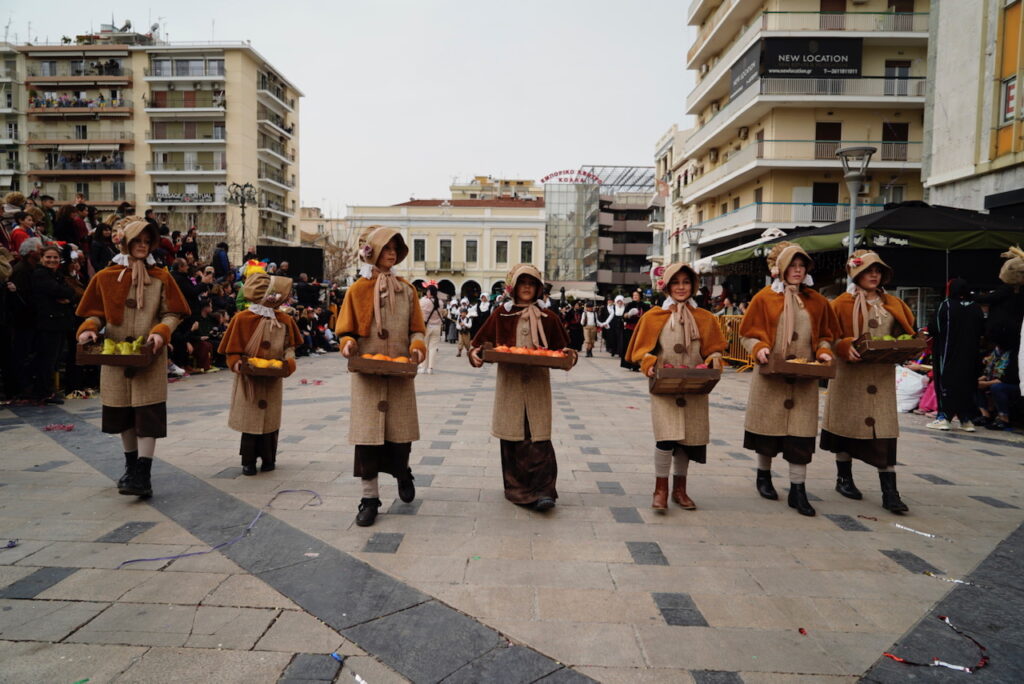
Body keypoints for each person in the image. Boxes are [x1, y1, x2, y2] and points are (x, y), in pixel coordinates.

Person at [75, 217, 190, 498]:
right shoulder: (105, 276)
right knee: (122, 413)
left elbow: (174, 312)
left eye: (146, 241)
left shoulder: (161, 276)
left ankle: (143, 472)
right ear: (126, 242)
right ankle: (129, 467)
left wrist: (162, 332)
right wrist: (88, 329)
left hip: (148, 355)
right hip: (114, 355)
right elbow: (95, 312)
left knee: (147, 413)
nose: (141, 245)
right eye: (137, 240)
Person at [336, 225, 426, 527]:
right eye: (385, 247)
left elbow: (417, 329)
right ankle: (369, 499)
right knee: (367, 441)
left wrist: (416, 346)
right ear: (372, 251)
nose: (390, 253)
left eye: (394, 249)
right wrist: (347, 343)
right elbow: (345, 329)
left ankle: (403, 471)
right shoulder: (357, 289)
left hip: (400, 374)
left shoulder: (408, 290)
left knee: (400, 437)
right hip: (367, 375)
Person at [739, 242, 837, 517]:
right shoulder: (764, 298)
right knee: (766, 432)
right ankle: (763, 476)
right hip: (770, 377)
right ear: (781, 269)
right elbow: (747, 334)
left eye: (801, 265)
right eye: (792, 266)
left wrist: (825, 352)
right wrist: (759, 349)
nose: (797, 270)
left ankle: (798, 490)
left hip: (804, 379)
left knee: (801, 436)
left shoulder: (817, 301)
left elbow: (827, 335)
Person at [468, 264, 574, 510]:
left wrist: (569, 356)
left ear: (538, 288)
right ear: (513, 287)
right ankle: (518, 490)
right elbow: (480, 343)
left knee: (538, 435)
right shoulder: (501, 314)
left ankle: (544, 490)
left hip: (537, 385)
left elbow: (565, 349)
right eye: (522, 283)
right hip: (510, 385)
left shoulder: (549, 317)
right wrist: (476, 353)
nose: (527, 287)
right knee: (513, 435)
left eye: (531, 283)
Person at [820, 251, 916, 514]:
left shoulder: (893, 303)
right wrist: (842, 346)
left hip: (881, 378)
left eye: (878, 271)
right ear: (856, 274)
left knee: (884, 433)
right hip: (850, 377)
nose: (874, 275)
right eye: (868, 271)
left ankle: (890, 492)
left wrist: (905, 348)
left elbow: (906, 332)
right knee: (845, 429)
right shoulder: (840, 303)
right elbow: (827, 336)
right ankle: (844, 479)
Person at [627, 263, 727, 511]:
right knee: (666, 438)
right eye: (676, 282)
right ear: (667, 286)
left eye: (685, 282)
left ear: (692, 286)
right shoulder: (654, 316)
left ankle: (680, 490)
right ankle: (660, 489)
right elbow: (642, 351)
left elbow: (714, 348)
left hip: (695, 387)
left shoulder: (705, 317)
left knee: (687, 440)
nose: (681, 287)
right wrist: (648, 363)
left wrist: (714, 360)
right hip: (665, 387)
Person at [219, 273, 301, 475]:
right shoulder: (242, 318)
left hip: (273, 377)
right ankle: (248, 460)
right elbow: (232, 350)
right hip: (249, 378)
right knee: (250, 419)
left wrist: (288, 362)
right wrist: (236, 362)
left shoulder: (284, 319)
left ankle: (269, 458)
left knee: (270, 420)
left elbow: (290, 346)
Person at [928, 278, 985, 431]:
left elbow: (934, 328)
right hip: (970, 355)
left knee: (945, 382)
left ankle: (943, 417)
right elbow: (982, 330)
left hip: (947, 354)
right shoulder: (976, 307)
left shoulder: (945, 306)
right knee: (967, 384)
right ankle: (966, 419)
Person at [28, 245, 75, 403]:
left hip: (58, 322)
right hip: (47, 322)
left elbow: (70, 292)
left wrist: (66, 296)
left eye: (55, 257)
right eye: (48, 257)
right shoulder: (40, 274)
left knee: (54, 358)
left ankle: (47, 389)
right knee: (47, 358)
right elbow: (59, 291)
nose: (52, 260)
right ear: (42, 258)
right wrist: (64, 295)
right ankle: (44, 391)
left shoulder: (56, 274)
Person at [419, 283, 444, 374]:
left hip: (427, 326)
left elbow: (419, 307)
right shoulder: (440, 302)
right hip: (437, 327)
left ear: (430, 292)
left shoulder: (424, 301)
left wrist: (426, 298)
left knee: (424, 347)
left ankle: (422, 367)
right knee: (433, 348)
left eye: (427, 291)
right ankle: (430, 368)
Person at [620, 291, 647, 370]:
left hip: (640, 328)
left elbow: (648, 316)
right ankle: (630, 363)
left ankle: (637, 364)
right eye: (633, 295)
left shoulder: (645, 305)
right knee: (630, 346)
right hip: (630, 328)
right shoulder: (629, 305)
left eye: (636, 295)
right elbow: (623, 316)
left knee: (639, 346)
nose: (635, 296)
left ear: (640, 296)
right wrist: (628, 314)